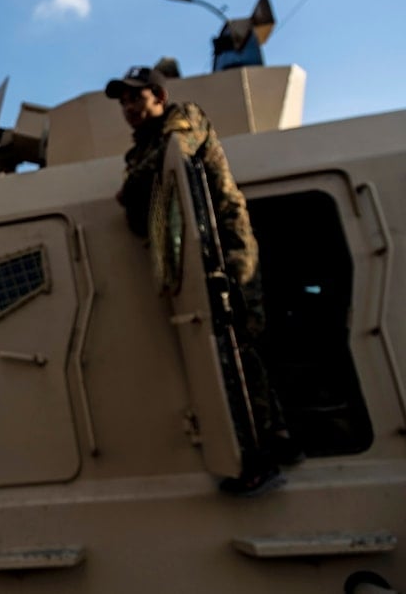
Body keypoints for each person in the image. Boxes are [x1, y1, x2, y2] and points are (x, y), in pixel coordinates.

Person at [105, 65, 302, 497]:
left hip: (227, 243)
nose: (129, 109)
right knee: (221, 342)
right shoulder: (137, 153)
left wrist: (137, 186)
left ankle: (267, 449)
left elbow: (177, 153)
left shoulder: (184, 116)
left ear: (158, 94)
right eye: (123, 103)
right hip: (190, 255)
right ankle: (263, 443)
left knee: (240, 337)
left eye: (135, 99)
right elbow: (135, 210)